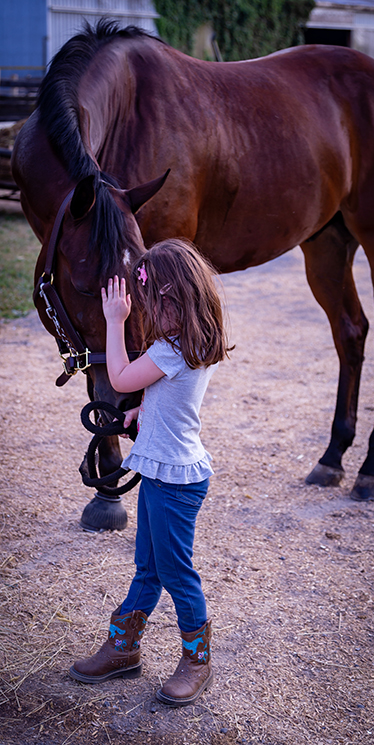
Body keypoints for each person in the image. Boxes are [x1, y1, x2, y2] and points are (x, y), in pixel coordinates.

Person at [69, 238, 231, 707]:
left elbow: (118, 377)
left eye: (150, 303)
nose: (145, 314)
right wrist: (145, 411)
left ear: (172, 299)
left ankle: (197, 661)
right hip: (171, 473)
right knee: (149, 567)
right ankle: (124, 649)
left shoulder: (169, 351)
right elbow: (170, 396)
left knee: (175, 570)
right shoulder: (188, 343)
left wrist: (114, 321)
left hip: (174, 482)